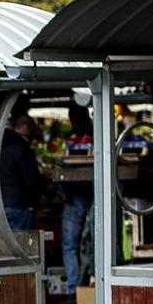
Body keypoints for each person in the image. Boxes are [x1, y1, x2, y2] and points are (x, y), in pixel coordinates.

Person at [60, 103, 93, 294]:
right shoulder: (96, 131)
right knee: (93, 243)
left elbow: (64, 164)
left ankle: (75, 289)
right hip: (95, 195)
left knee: (70, 246)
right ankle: (91, 284)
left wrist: (62, 188)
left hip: (75, 196)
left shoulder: (72, 139)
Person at [0, 114, 45, 231]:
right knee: (22, 246)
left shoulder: (0, 147)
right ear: (25, 127)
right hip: (20, 204)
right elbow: (32, 180)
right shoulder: (23, 149)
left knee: (3, 247)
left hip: (0, 204)